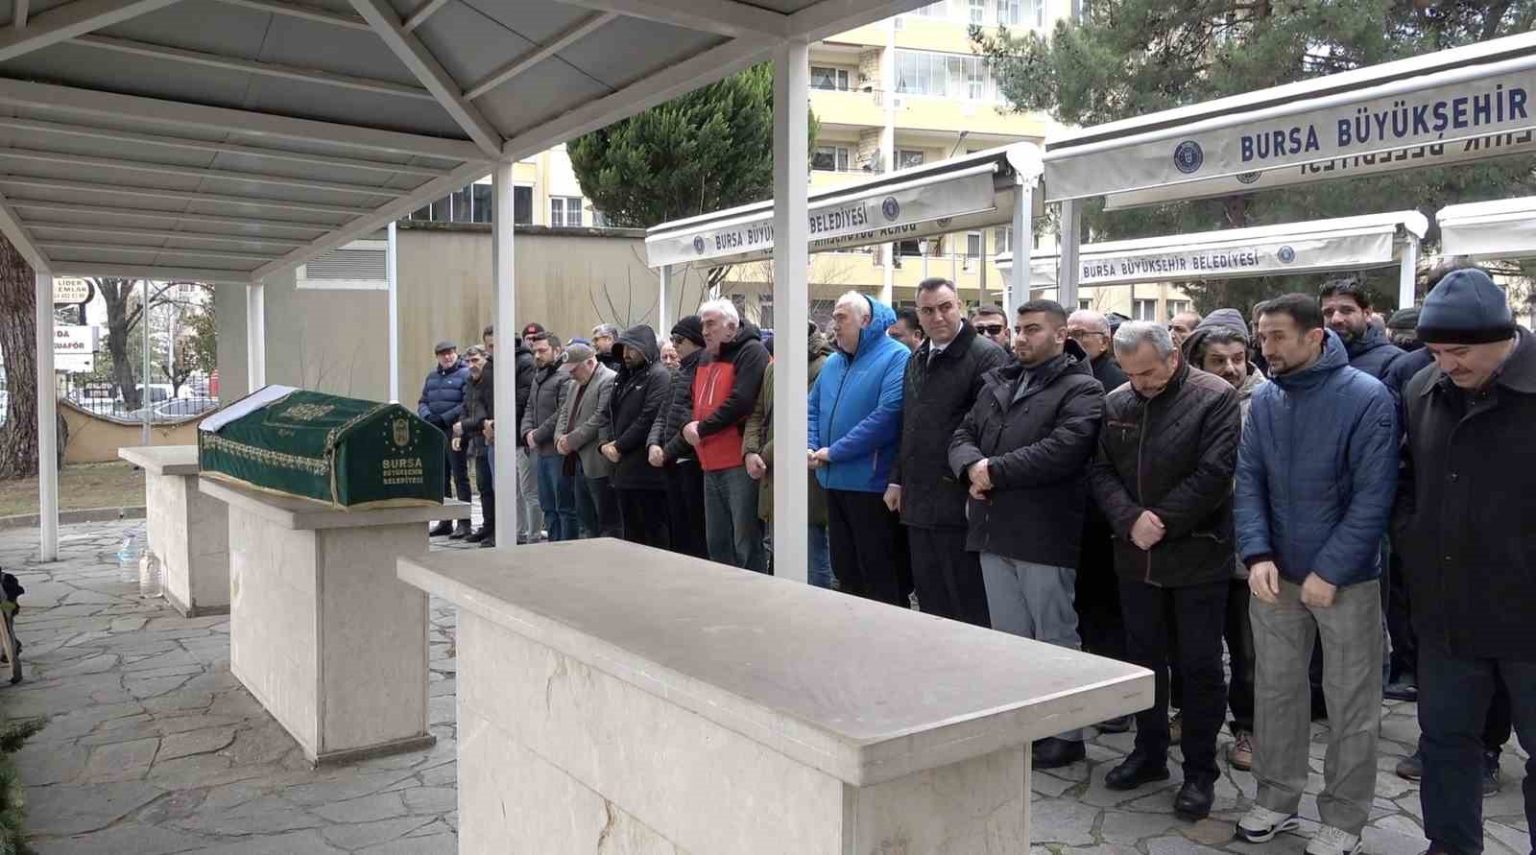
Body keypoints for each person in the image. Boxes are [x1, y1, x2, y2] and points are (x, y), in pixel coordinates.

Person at [1234, 294, 1398, 854]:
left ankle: (1344, 820)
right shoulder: (1266, 399)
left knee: (1351, 703)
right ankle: (1275, 799)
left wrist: (1332, 568)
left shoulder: (1367, 397)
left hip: (1346, 581)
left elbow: (1375, 495)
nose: (1266, 348)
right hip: (1274, 576)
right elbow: (1248, 480)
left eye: (1278, 336)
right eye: (1262, 336)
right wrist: (1256, 553)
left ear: (1315, 337)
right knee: (1275, 693)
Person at [1395, 269, 1534, 852]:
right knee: (1446, 745)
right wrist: (1412, 539)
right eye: (1435, 351)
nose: (1446, 364)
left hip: (1529, 616)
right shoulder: (1422, 388)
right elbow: (1407, 481)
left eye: (1459, 352)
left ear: (1504, 338)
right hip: (1447, 613)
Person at [1089, 320, 1239, 819]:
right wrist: (1130, 518)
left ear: (1173, 357)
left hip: (1198, 556)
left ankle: (1199, 771)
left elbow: (1215, 472)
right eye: (1131, 374)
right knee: (1144, 660)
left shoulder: (1214, 396)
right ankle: (1149, 752)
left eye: (1149, 373)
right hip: (1135, 555)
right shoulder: (1117, 401)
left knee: (1199, 667)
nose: (1141, 384)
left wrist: (1162, 520)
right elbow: (1101, 470)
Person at [949, 299, 1104, 770]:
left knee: (1054, 635)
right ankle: (1024, 725)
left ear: (1060, 335)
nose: (1020, 337)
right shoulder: (999, 381)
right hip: (992, 528)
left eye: (1032, 329)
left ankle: (1066, 733)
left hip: (1043, 531)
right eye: (1018, 329)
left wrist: (992, 471)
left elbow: (1063, 449)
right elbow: (961, 435)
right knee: (1010, 639)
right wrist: (971, 468)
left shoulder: (1083, 388)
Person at [887, 278, 1007, 626]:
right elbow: (909, 423)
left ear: (960, 308)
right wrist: (897, 479)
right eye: (928, 310)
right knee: (930, 600)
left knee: (966, 604)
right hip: (919, 500)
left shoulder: (986, 356)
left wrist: (970, 480)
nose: (937, 316)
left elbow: (988, 429)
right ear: (918, 316)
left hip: (958, 499)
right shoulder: (917, 357)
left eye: (945, 307)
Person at [1181, 308, 1267, 772]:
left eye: (1237, 358)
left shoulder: (1267, 401)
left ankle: (1248, 726)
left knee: (1247, 650)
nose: (1231, 368)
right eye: (1219, 360)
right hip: (1194, 544)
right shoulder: (1184, 398)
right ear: (1198, 362)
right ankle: (1192, 715)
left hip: (1245, 550)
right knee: (1195, 646)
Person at [808, 291, 910, 603]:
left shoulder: (896, 357)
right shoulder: (833, 363)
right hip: (832, 480)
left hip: (871, 485)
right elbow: (811, 408)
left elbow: (887, 415)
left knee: (879, 574)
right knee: (846, 570)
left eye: (841, 318)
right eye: (833, 318)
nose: (834, 325)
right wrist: (810, 445)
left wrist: (834, 452)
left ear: (865, 321)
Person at [1067, 308, 1130, 704]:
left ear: (1105, 341)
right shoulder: (1069, 374)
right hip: (1072, 512)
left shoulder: (1117, 382)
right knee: (1082, 606)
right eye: (1069, 333)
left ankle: (1115, 698)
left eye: (1082, 334)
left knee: (1106, 608)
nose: (1073, 340)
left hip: (1104, 515)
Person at [743, 321, 835, 586]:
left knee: (812, 552)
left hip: (805, 476)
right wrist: (750, 451)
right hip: (773, 473)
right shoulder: (773, 369)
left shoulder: (824, 367)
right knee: (779, 548)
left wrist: (763, 453)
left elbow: (802, 422)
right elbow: (757, 413)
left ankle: (817, 606)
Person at [684, 300, 770, 571]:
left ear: (731, 327)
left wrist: (701, 428)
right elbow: (692, 400)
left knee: (745, 541)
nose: (704, 331)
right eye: (703, 325)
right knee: (717, 541)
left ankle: (754, 592)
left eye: (711, 324)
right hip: (709, 461)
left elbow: (741, 401)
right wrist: (689, 425)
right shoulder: (706, 356)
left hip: (737, 461)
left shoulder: (752, 352)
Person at [602, 325, 672, 547]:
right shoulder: (624, 377)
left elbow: (649, 417)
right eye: (623, 349)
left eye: (631, 349)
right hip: (623, 469)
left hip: (646, 472)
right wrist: (605, 444)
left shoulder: (659, 376)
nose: (626, 354)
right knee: (631, 534)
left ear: (646, 348)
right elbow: (608, 412)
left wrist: (619, 446)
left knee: (652, 532)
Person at [650, 316, 709, 558]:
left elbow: (692, 420)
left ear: (695, 340)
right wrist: (653, 443)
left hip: (691, 461)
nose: (674, 346)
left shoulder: (702, 370)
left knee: (694, 532)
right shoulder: (679, 372)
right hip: (671, 461)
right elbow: (663, 414)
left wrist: (667, 451)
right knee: (677, 530)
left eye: (679, 340)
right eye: (672, 339)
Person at [556, 342, 619, 539]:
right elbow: (564, 412)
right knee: (585, 517)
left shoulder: (608, 380)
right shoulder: (574, 384)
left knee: (606, 519)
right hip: (578, 460)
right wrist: (559, 438)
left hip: (597, 461)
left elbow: (600, 417)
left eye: (574, 369)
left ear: (590, 362)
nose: (571, 374)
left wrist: (570, 441)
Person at [520, 332, 578, 541]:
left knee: (564, 507)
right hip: (540, 452)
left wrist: (538, 434)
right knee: (548, 506)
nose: (537, 355)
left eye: (542, 350)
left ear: (557, 351)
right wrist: (526, 432)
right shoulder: (538, 377)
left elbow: (563, 412)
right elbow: (529, 407)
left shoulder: (565, 378)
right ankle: (553, 545)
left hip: (557, 452)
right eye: (534, 351)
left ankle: (566, 548)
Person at [418, 340, 472, 538]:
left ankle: (464, 523)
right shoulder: (432, 377)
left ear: (456, 353)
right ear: (437, 357)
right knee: (441, 477)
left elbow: (466, 403)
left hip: (455, 431)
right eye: (443, 354)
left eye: (450, 353)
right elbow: (423, 401)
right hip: (435, 432)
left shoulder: (465, 374)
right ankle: (445, 521)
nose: (447, 357)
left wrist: (445, 418)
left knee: (460, 476)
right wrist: (427, 416)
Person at [1320, 277, 1405, 384]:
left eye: (1346, 310)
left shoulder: (1396, 362)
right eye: (1328, 312)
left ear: (1367, 314)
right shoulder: (1312, 360)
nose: (1336, 319)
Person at [455, 345, 495, 547]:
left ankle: (497, 530)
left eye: (476, 360)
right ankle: (487, 527)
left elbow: (483, 415)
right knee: (483, 487)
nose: (472, 365)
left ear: (485, 359)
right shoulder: (470, 382)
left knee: (494, 488)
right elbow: (466, 407)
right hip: (476, 441)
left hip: (490, 438)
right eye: (469, 361)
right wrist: (460, 429)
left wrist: (464, 425)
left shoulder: (489, 381)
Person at [512, 326, 542, 544]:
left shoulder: (526, 364)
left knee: (529, 492)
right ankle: (519, 533)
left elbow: (524, 404)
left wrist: (526, 434)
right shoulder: (509, 362)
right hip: (513, 437)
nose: (531, 342)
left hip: (525, 439)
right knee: (516, 492)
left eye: (535, 338)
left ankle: (533, 535)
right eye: (528, 338)